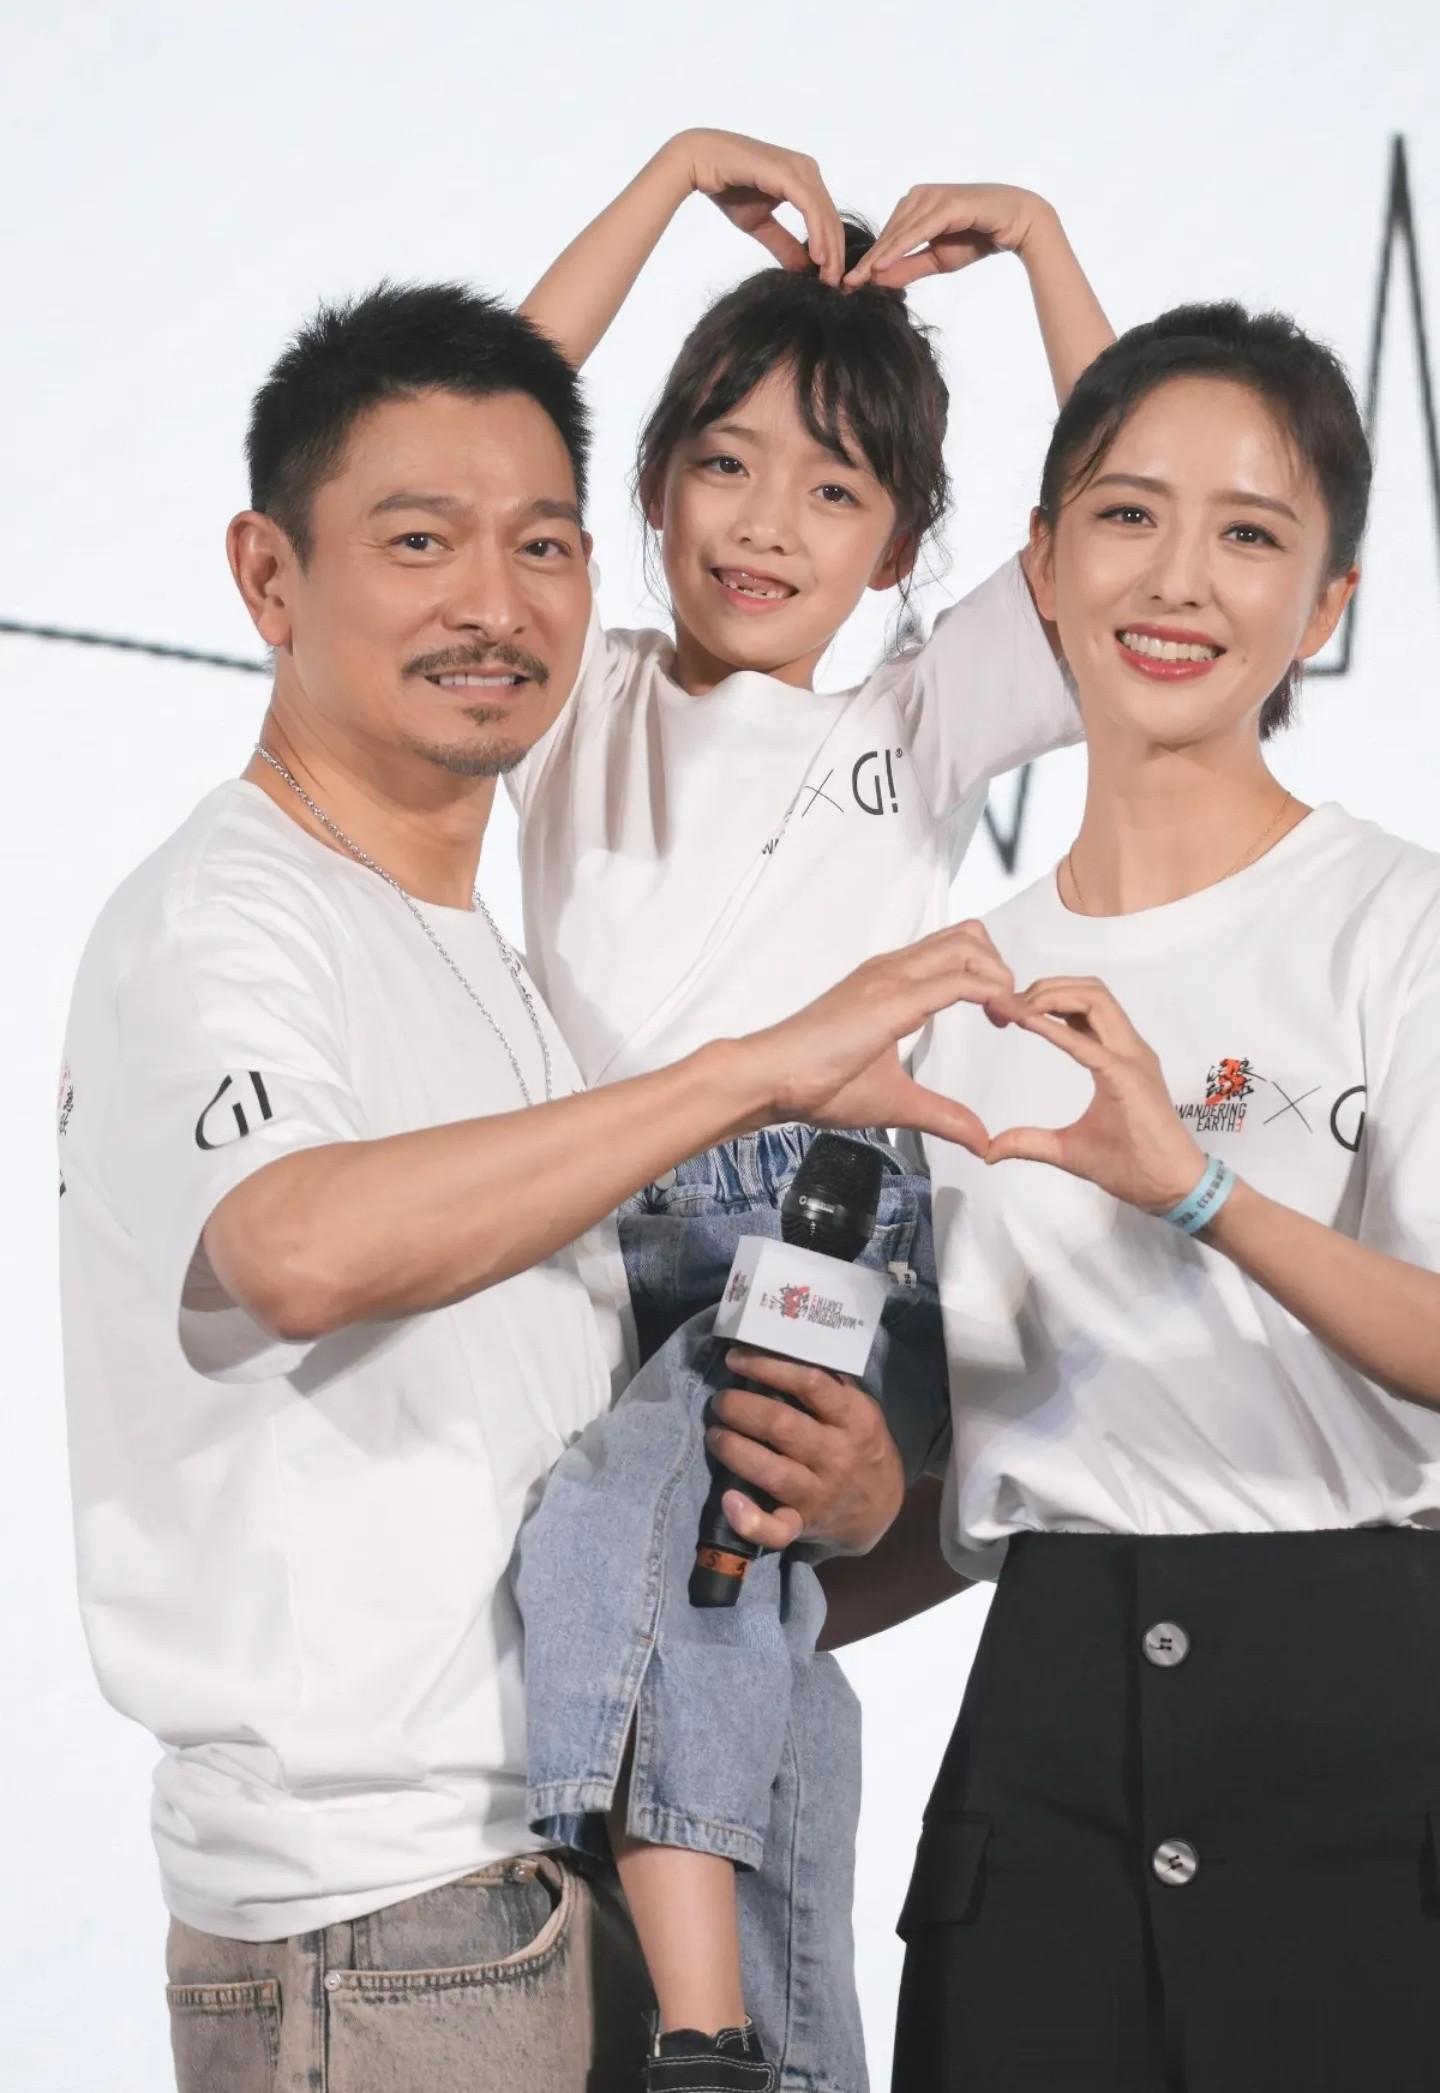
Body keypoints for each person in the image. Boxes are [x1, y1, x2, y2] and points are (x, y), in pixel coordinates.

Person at [55, 280, 1003, 2093]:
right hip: (387, 1926)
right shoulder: (226, 920)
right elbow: (294, 1245)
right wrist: (753, 1068)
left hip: (589, 1876)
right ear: (268, 578)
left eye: (540, 545)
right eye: (419, 541)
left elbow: (672, 1557)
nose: (493, 601)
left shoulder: (498, 970)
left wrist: (861, 1497)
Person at [508, 130, 1112, 2091]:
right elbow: (465, 433)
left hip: (824, 1226)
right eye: (728, 462)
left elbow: (1135, 525)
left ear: (903, 546)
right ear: (649, 483)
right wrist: (670, 174)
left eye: (835, 489)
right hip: (596, 1239)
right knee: (751, 1649)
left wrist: (1041, 243)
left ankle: (692, 2032)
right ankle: (776, 2049)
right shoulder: (578, 697)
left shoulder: (908, 724)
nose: (769, 522)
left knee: (650, 1511)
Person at [893, 301, 1440, 2092]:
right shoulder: (948, 989)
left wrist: (1201, 1189)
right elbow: (987, 1451)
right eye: (1128, 514)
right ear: (1045, 563)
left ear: (1327, 609)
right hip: (1037, 1763)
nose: (1178, 579)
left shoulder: (1400, 925)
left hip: (1364, 1753)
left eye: (1252, 533)